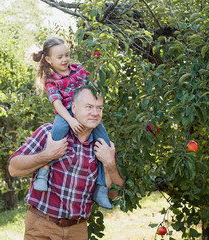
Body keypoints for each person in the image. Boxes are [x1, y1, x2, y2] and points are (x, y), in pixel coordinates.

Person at [8, 85, 124, 240]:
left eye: (99, 108)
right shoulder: (49, 133)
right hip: (42, 225)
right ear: (74, 108)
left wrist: (110, 165)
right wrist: (47, 155)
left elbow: (114, 194)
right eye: (89, 107)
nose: (95, 113)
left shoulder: (103, 147)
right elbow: (14, 168)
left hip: (77, 230)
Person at [31, 37, 112, 209]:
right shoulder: (51, 80)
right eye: (59, 57)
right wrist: (70, 120)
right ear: (48, 59)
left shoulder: (78, 70)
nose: (65, 59)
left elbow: (91, 87)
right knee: (58, 132)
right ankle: (44, 171)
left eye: (67, 55)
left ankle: (100, 188)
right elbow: (57, 103)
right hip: (66, 112)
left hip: (83, 110)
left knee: (103, 142)